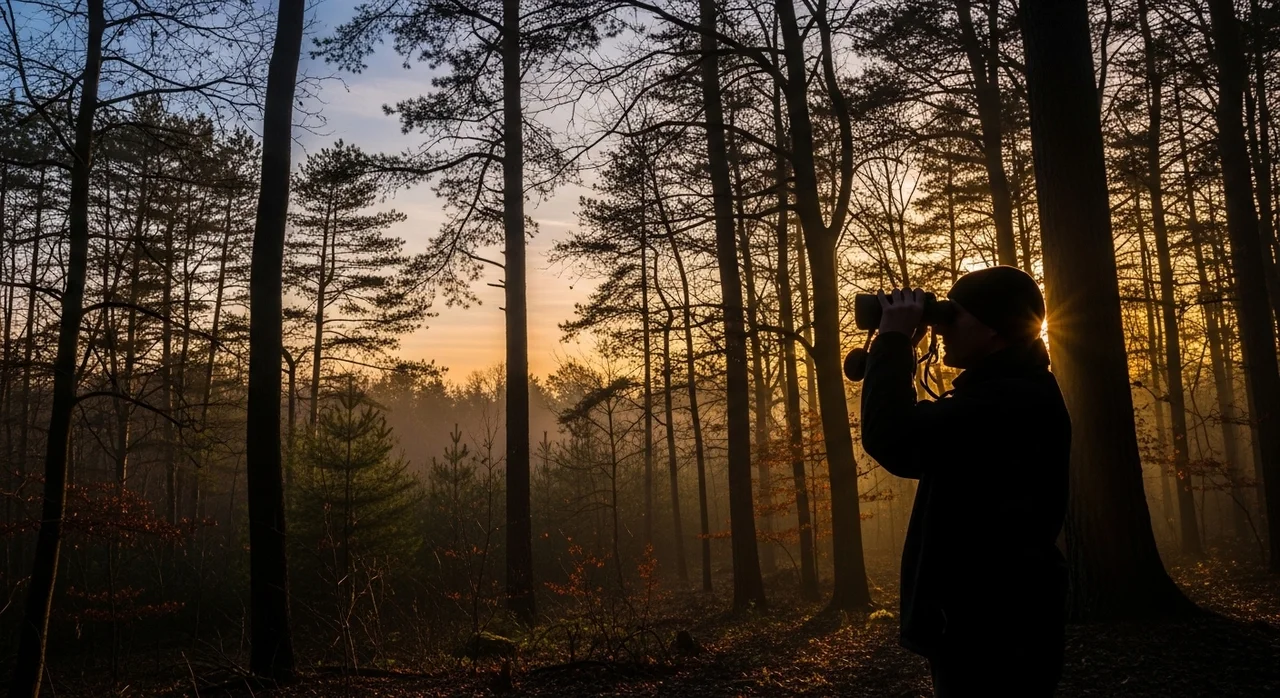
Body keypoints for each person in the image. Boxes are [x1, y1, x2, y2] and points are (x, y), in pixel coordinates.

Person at [858, 265, 1071, 697]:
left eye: (954, 315)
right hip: (1000, 620)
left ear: (995, 330)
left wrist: (895, 341)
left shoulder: (1006, 401)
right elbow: (920, 447)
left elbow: (893, 438)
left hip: (992, 629)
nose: (941, 325)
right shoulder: (1014, 390)